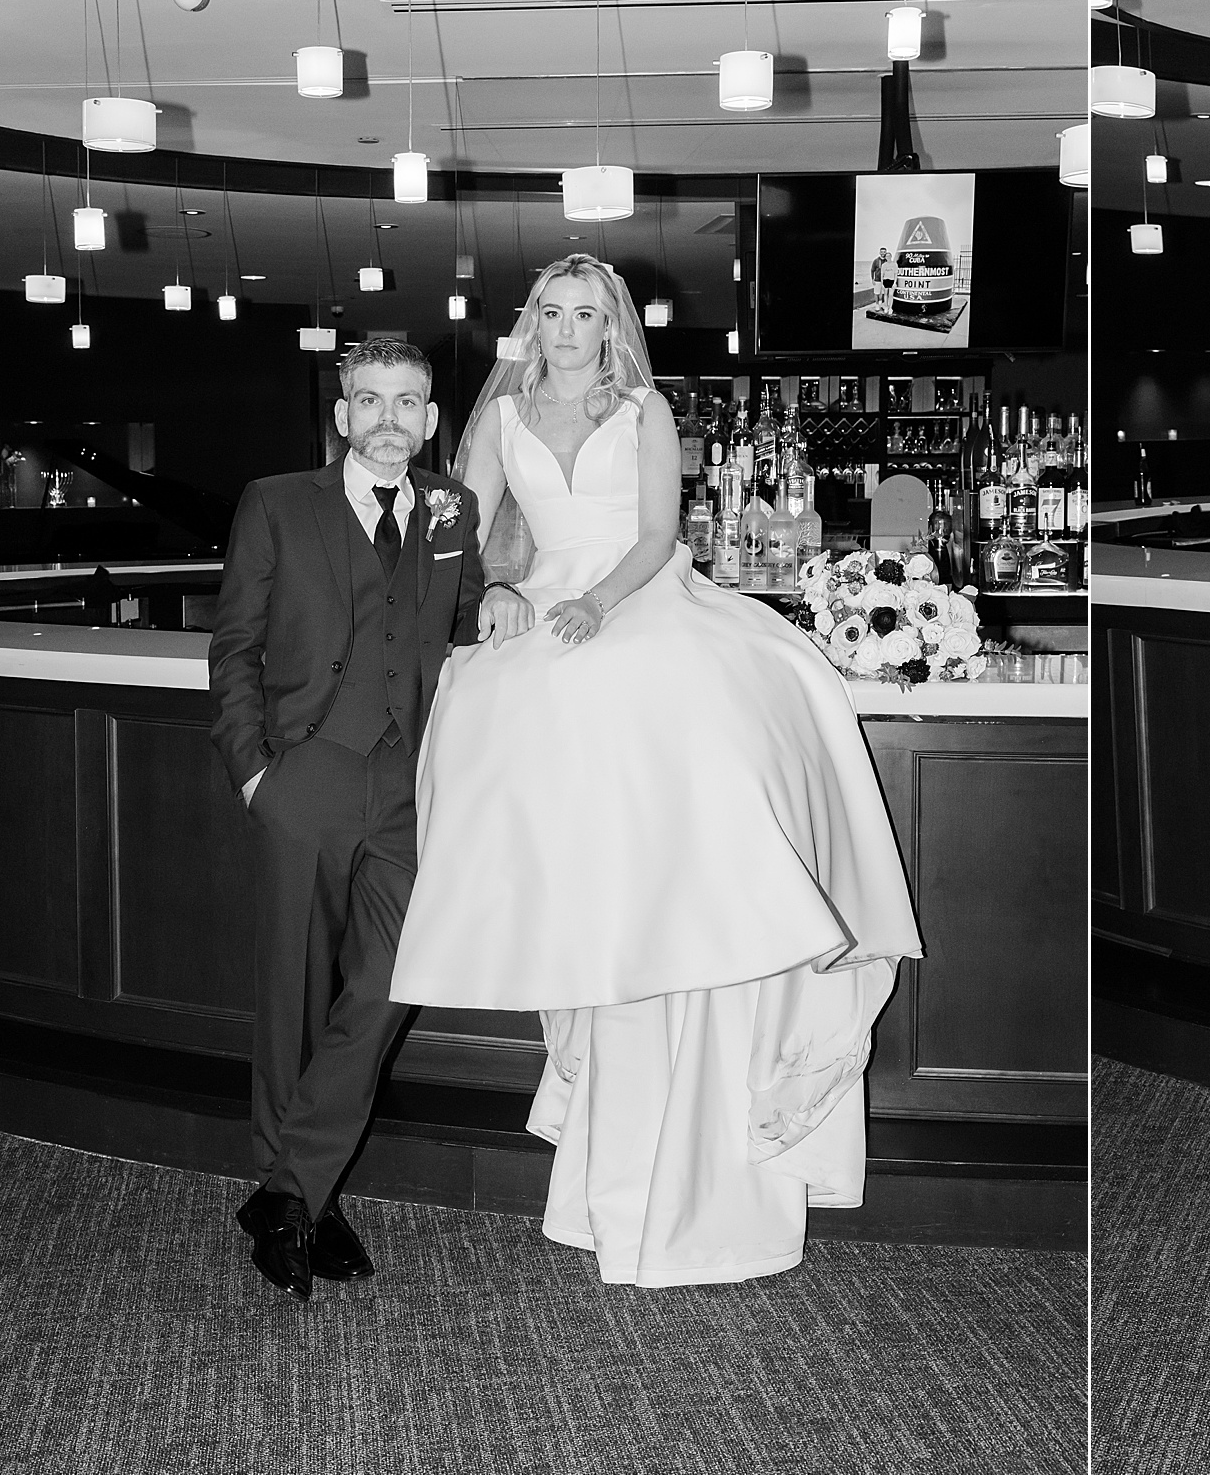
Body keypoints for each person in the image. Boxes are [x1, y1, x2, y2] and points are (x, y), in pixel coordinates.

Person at [390, 254, 920, 1287]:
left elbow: (655, 533)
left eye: (589, 313)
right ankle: (571, 939)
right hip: (544, 593)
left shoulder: (642, 411)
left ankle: (715, 918)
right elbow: (470, 527)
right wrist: (501, 587)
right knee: (504, 706)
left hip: (640, 591)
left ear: (610, 325)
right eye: (556, 311)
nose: (571, 328)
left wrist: (600, 602)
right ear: (532, 322)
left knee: (688, 710)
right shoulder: (501, 417)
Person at [208, 340, 489, 1301]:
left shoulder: (455, 509)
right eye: (369, 401)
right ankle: (302, 1202)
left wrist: (509, 611)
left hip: (410, 786)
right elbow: (235, 645)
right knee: (293, 992)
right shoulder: (276, 502)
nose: (388, 420)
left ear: (428, 417)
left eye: (407, 403)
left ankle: (290, 1192)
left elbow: (463, 625)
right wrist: (256, 774)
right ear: (341, 416)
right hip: (309, 774)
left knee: (389, 981)